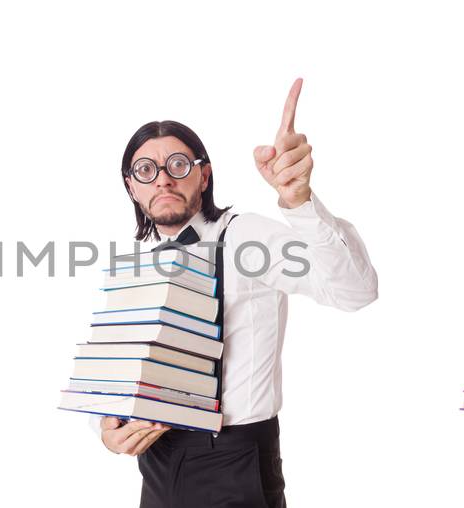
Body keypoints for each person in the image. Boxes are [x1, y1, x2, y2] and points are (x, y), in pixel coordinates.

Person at [96, 79, 379, 508]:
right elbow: (117, 371)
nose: (163, 181)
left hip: (234, 462)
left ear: (204, 174)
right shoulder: (140, 262)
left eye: (178, 164)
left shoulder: (245, 236)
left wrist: (300, 203)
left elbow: (355, 292)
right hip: (156, 465)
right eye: (146, 171)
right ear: (132, 187)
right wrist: (107, 428)